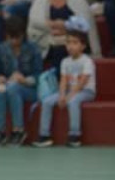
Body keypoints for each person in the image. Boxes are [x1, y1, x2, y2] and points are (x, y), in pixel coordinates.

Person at [33, 19, 96, 148]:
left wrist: (69, 96)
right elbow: (63, 80)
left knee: (73, 102)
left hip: (85, 91)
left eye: (75, 43)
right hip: (68, 91)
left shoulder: (87, 61)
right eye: (68, 43)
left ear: (83, 46)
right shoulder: (65, 61)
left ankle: (74, 135)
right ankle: (44, 135)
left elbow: (83, 82)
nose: (70, 46)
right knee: (47, 101)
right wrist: (62, 95)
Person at [28, 0, 101, 69]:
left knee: (67, 48)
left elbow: (86, 24)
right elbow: (35, 23)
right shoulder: (40, 1)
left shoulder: (79, 0)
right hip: (48, 42)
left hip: (76, 42)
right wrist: (56, 26)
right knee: (58, 50)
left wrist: (65, 26)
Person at [0, 17, 41, 146]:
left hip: (30, 89)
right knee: (0, 90)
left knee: (13, 87)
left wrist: (24, 80)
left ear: (23, 35)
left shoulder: (33, 49)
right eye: (10, 37)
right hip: (8, 85)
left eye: (16, 37)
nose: (13, 41)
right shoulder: (0, 50)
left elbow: (38, 76)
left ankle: (18, 130)